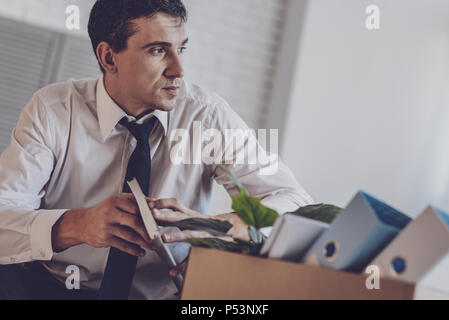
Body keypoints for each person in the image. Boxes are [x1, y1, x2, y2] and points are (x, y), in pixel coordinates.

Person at [0, 0, 314, 300]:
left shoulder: (207, 117)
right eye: (158, 50)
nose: (178, 69)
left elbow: (297, 203)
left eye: (181, 49)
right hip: (51, 288)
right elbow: (3, 222)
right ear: (109, 58)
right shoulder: (53, 110)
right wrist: (79, 224)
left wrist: (217, 230)